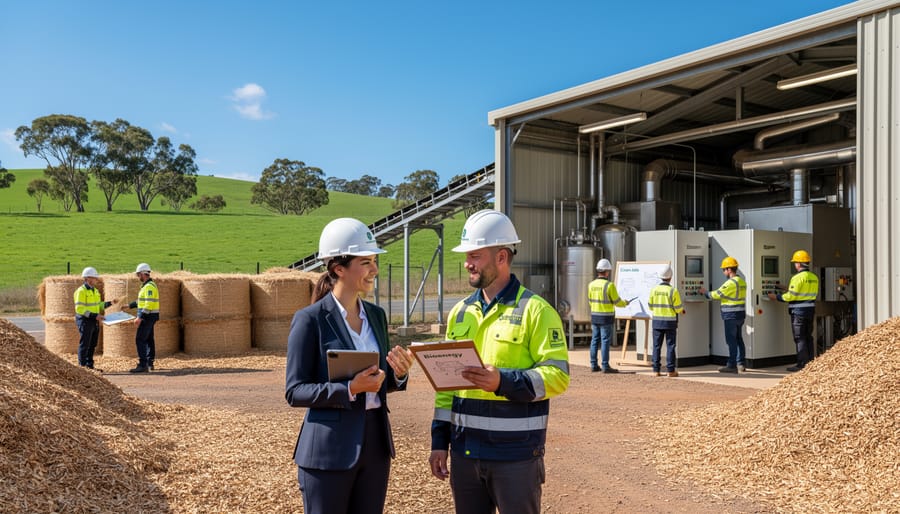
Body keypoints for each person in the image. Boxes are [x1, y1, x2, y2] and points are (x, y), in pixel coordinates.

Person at [428, 209, 570, 514]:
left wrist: (502, 381)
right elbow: (446, 389)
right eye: (467, 256)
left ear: (502, 257)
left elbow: (558, 376)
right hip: (465, 453)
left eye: (475, 256)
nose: (467, 263)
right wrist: (439, 440)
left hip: (516, 456)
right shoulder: (460, 313)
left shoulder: (536, 311)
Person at [285, 217, 415, 514]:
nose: (374, 270)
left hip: (375, 446)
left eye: (374, 262)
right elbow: (295, 391)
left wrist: (398, 374)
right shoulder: (310, 320)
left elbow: (379, 381)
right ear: (338, 268)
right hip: (328, 451)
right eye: (366, 262)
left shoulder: (377, 316)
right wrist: (350, 389)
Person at [768, 250, 819, 372]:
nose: (795, 264)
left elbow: (791, 296)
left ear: (798, 264)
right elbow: (803, 291)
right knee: (808, 337)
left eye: (795, 262)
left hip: (798, 312)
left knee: (799, 337)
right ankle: (810, 363)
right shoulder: (814, 277)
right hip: (810, 311)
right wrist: (785, 287)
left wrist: (776, 297)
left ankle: (802, 364)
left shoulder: (797, 278)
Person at [700, 256, 748, 374]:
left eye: (724, 269)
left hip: (731, 315)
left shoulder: (730, 283)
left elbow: (717, 294)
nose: (723, 272)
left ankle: (731, 365)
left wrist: (705, 292)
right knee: (739, 339)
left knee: (731, 341)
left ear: (729, 269)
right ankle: (741, 364)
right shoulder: (742, 281)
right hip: (740, 314)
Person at [587, 258, 627, 373]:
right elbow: (617, 302)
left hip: (594, 316)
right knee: (605, 341)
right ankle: (605, 366)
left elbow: (590, 301)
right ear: (607, 272)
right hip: (606, 318)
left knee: (594, 340)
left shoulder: (591, 285)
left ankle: (593, 365)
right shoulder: (609, 286)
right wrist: (625, 303)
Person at [73, 266, 115, 371]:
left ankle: (90, 366)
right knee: (85, 344)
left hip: (93, 320)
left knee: (92, 344)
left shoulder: (95, 291)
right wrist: (95, 316)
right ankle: (83, 367)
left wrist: (110, 303)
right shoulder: (81, 291)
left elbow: (99, 305)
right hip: (85, 320)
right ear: (87, 278)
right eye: (94, 278)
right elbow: (79, 309)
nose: (96, 280)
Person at [648, 264, 683, 377]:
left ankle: (656, 370)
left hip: (657, 322)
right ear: (670, 277)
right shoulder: (673, 291)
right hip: (670, 323)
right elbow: (678, 308)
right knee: (670, 346)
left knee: (656, 346)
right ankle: (670, 371)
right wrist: (682, 311)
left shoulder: (654, 290)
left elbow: (650, 306)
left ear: (660, 277)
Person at [128, 263, 159, 373]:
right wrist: (129, 306)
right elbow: (141, 301)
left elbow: (148, 304)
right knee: (149, 339)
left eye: (138, 275)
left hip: (147, 316)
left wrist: (140, 317)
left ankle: (143, 364)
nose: (138, 277)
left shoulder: (149, 287)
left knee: (140, 339)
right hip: (150, 316)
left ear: (143, 274)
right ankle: (149, 362)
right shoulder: (147, 286)